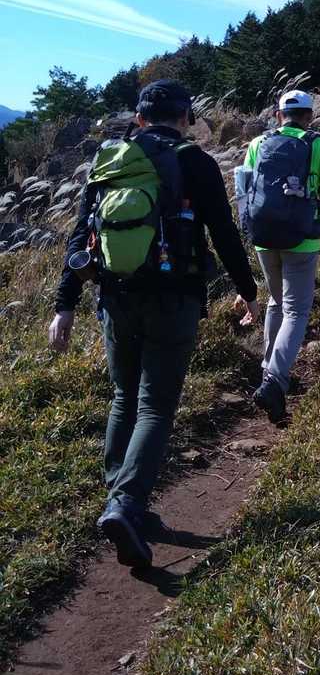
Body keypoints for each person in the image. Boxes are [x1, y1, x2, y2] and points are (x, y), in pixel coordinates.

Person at [48, 80, 260, 570]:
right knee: (156, 407)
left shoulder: (110, 160)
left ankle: (123, 502)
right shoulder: (196, 161)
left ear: (140, 119)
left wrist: (65, 304)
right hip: (173, 297)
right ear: (186, 119)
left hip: (114, 297)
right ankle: (126, 505)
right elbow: (223, 232)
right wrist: (248, 290)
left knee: (124, 397)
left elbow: (81, 236)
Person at [244, 89, 320, 424]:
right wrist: (308, 211)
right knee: (296, 311)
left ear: (278, 115)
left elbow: (245, 189)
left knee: (275, 302)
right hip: (301, 241)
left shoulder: (257, 144)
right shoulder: (317, 144)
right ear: (309, 116)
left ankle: (268, 371)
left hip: (263, 238)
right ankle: (274, 381)